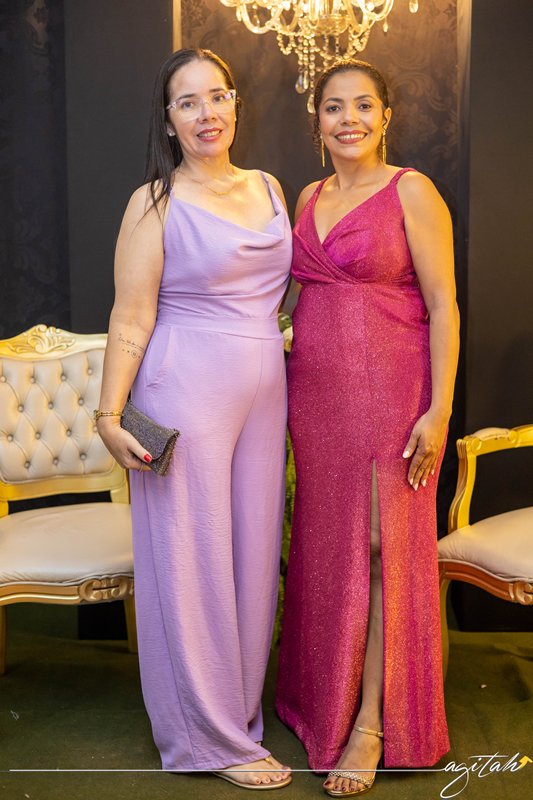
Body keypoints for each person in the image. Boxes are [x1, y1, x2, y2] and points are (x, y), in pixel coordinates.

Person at [96, 48, 293, 790]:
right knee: (193, 559)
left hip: (264, 393)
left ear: (236, 103)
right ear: (169, 119)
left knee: (251, 557)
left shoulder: (270, 187)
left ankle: (237, 716)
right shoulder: (154, 202)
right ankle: (205, 738)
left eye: (217, 96)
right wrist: (109, 413)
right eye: (188, 102)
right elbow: (130, 316)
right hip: (183, 387)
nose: (207, 113)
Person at [275, 59, 460, 797]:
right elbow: (295, 300)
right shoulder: (307, 195)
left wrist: (439, 409)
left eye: (362, 106)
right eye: (333, 107)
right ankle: (321, 699)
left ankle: (373, 723)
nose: (347, 119)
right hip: (315, 400)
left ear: (386, 116)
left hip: (393, 393)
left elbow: (443, 305)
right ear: (316, 120)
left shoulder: (412, 190)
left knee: (385, 548)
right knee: (327, 546)